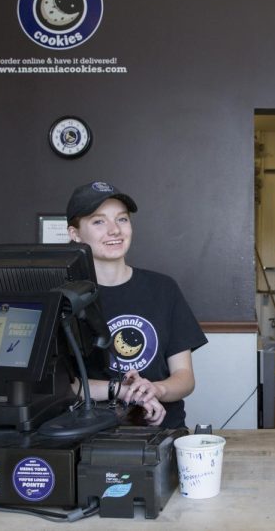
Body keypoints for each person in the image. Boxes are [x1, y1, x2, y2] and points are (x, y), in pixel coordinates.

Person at [66, 180, 208, 428]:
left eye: (122, 219)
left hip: (163, 435)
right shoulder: (65, 297)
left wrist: (156, 389)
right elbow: (65, 386)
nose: (114, 230)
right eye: (99, 221)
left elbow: (184, 378)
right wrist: (122, 390)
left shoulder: (163, 289)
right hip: (92, 438)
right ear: (75, 234)